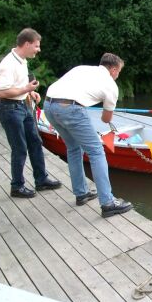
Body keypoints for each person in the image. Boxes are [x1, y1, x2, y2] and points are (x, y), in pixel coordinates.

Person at [43, 53, 133, 218]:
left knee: (73, 148)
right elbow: (106, 119)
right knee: (96, 152)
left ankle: (81, 193)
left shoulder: (82, 69)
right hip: (71, 109)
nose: (118, 75)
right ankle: (108, 203)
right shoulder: (111, 85)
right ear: (113, 70)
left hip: (48, 105)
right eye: (119, 71)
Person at [0, 28, 61, 198]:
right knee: (19, 148)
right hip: (9, 109)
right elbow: (2, 92)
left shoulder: (22, 60)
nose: (38, 50)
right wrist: (26, 88)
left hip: (23, 106)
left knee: (35, 142)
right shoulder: (8, 64)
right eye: (37, 46)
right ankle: (17, 186)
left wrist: (30, 93)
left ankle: (41, 180)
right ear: (27, 44)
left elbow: (19, 84)